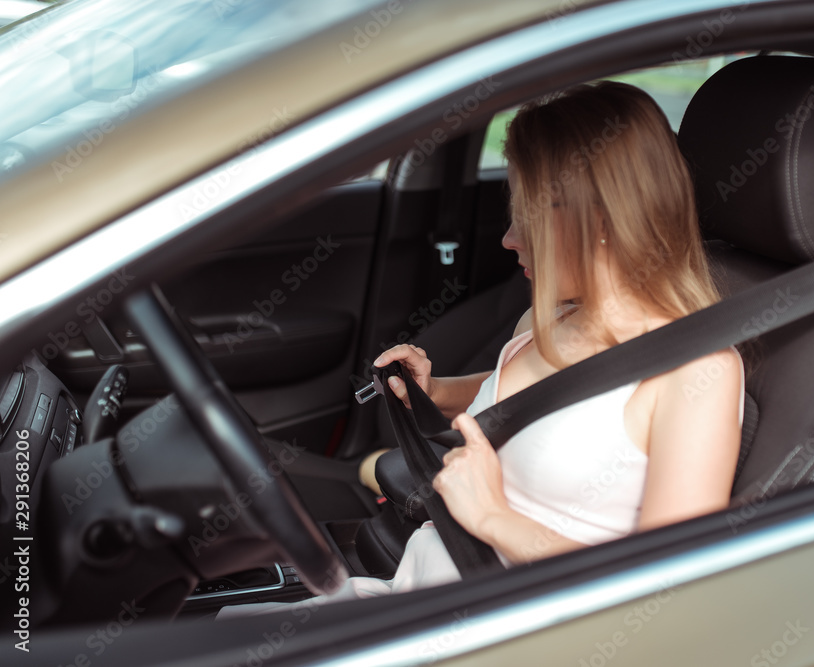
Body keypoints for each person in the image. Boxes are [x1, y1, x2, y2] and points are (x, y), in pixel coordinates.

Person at [219, 81, 743, 614]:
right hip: (414, 593)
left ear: (601, 219)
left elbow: (669, 588)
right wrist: (436, 392)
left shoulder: (696, 370)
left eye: (530, 217)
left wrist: (494, 518)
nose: (509, 238)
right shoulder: (549, 317)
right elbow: (530, 396)